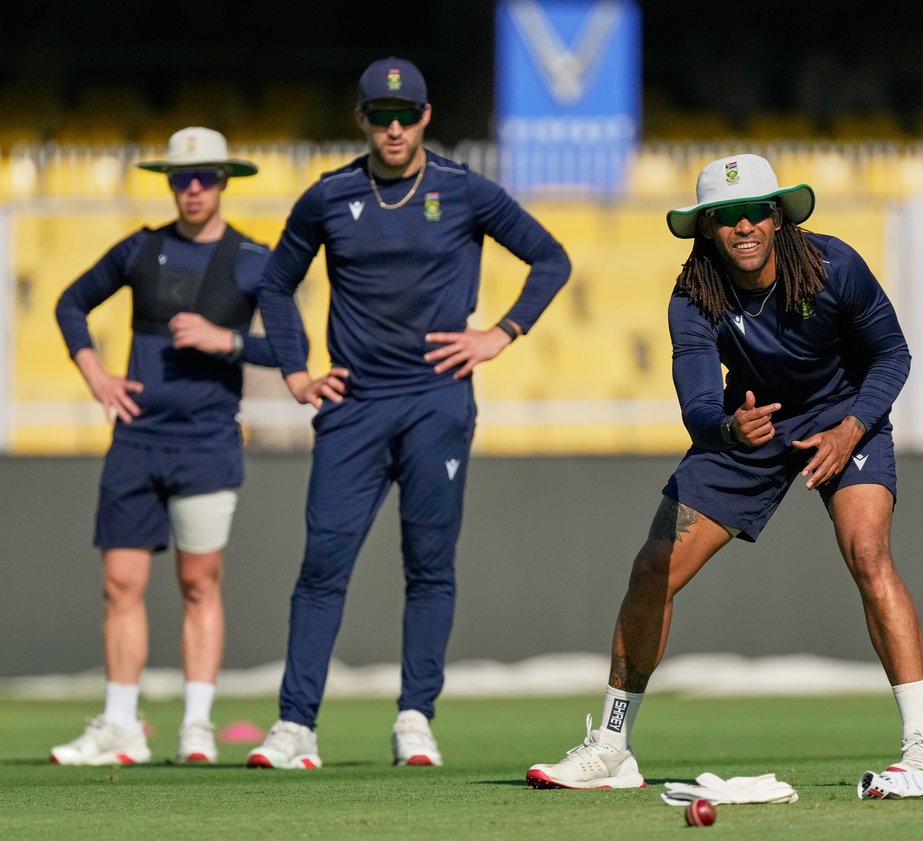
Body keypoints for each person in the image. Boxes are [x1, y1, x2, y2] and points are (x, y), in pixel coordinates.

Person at [526, 153, 923, 790]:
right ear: (706, 229)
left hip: (845, 415)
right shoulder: (693, 296)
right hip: (748, 424)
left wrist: (852, 426)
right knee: (653, 570)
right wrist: (728, 429)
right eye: (725, 217)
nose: (743, 226)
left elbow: (893, 355)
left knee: (868, 553)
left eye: (754, 211)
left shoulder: (835, 266)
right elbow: (697, 404)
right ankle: (611, 748)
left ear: (777, 217)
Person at [246, 57, 570, 769]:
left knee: (429, 564)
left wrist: (501, 333)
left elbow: (550, 258)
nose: (393, 128)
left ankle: (415, 717)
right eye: (379, 115)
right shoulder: (329, 196)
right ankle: (295, 726)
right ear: (361, 120)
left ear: (426, 117)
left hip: (436, 402)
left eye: (406, 115)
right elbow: (275, 283)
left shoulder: (462, 189)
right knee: (323, 563)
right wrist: (296, 370)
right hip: (354, 406)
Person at [50, 127, 286, 766]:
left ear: (224, 182)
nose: (193, 189)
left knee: (198, 582)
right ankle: (121, 724)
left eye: (204, 177)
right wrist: (95, 373)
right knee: (120, 583)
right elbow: (71, 303)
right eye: (182, 178)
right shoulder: (141, 249)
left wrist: (226, 341)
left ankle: (197, 727)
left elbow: (293, 351)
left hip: (207, 443)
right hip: (136, 442)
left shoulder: (253, 260)